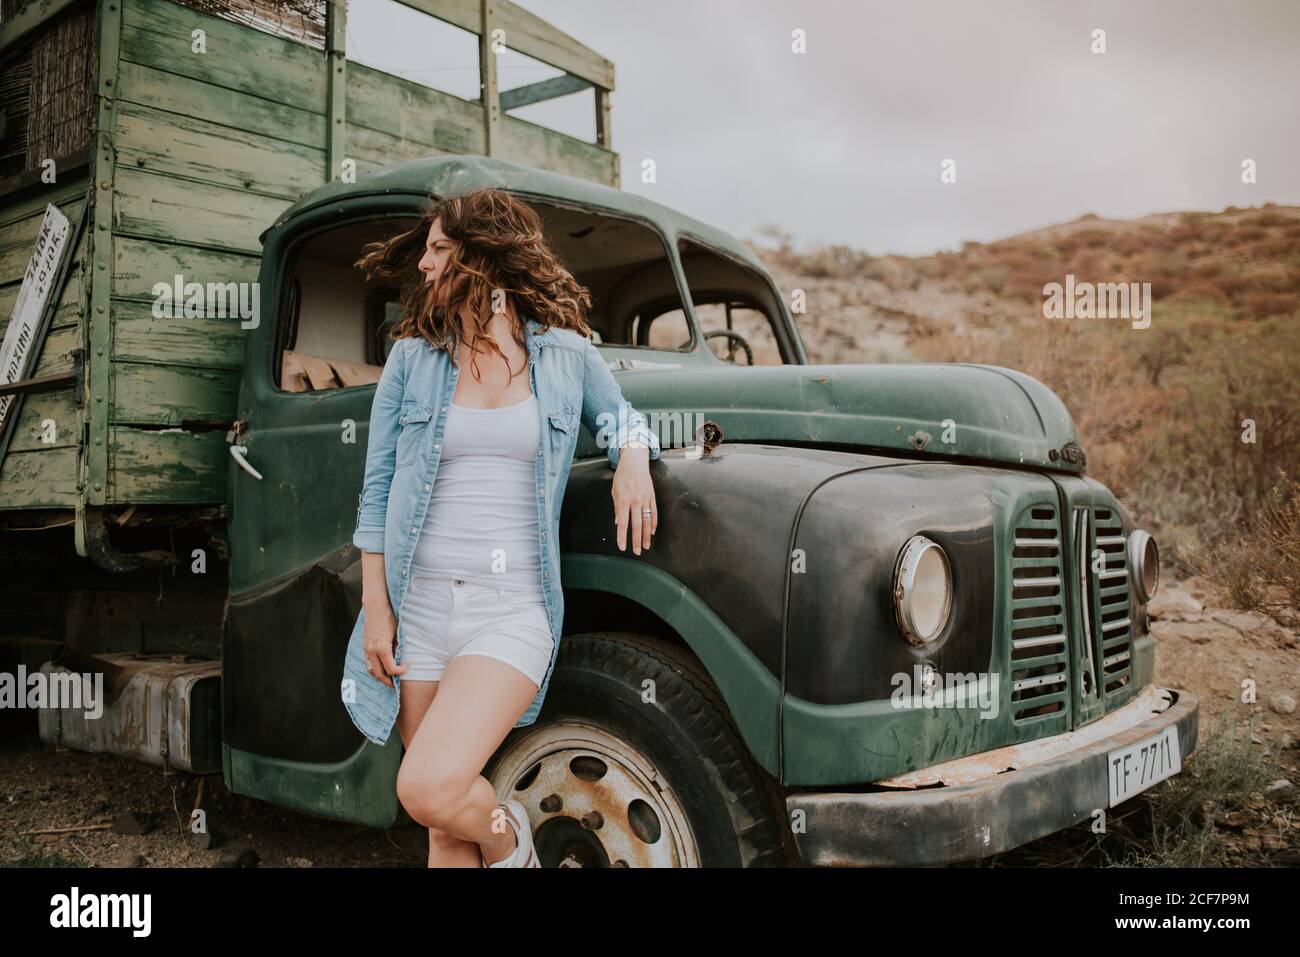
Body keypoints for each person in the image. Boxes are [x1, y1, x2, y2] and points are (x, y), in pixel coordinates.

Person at [342, 187, 661, 867]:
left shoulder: (565, 353)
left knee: (427, 786)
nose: (424, 265)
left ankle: (509, 837)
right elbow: (374, 490)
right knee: (440, 826)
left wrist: (631, 456)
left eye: (437, 250)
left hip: (511, 607)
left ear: (480, 256)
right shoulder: (413, 359)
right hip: (419, 605)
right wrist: (377, 606)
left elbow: (623, 418)